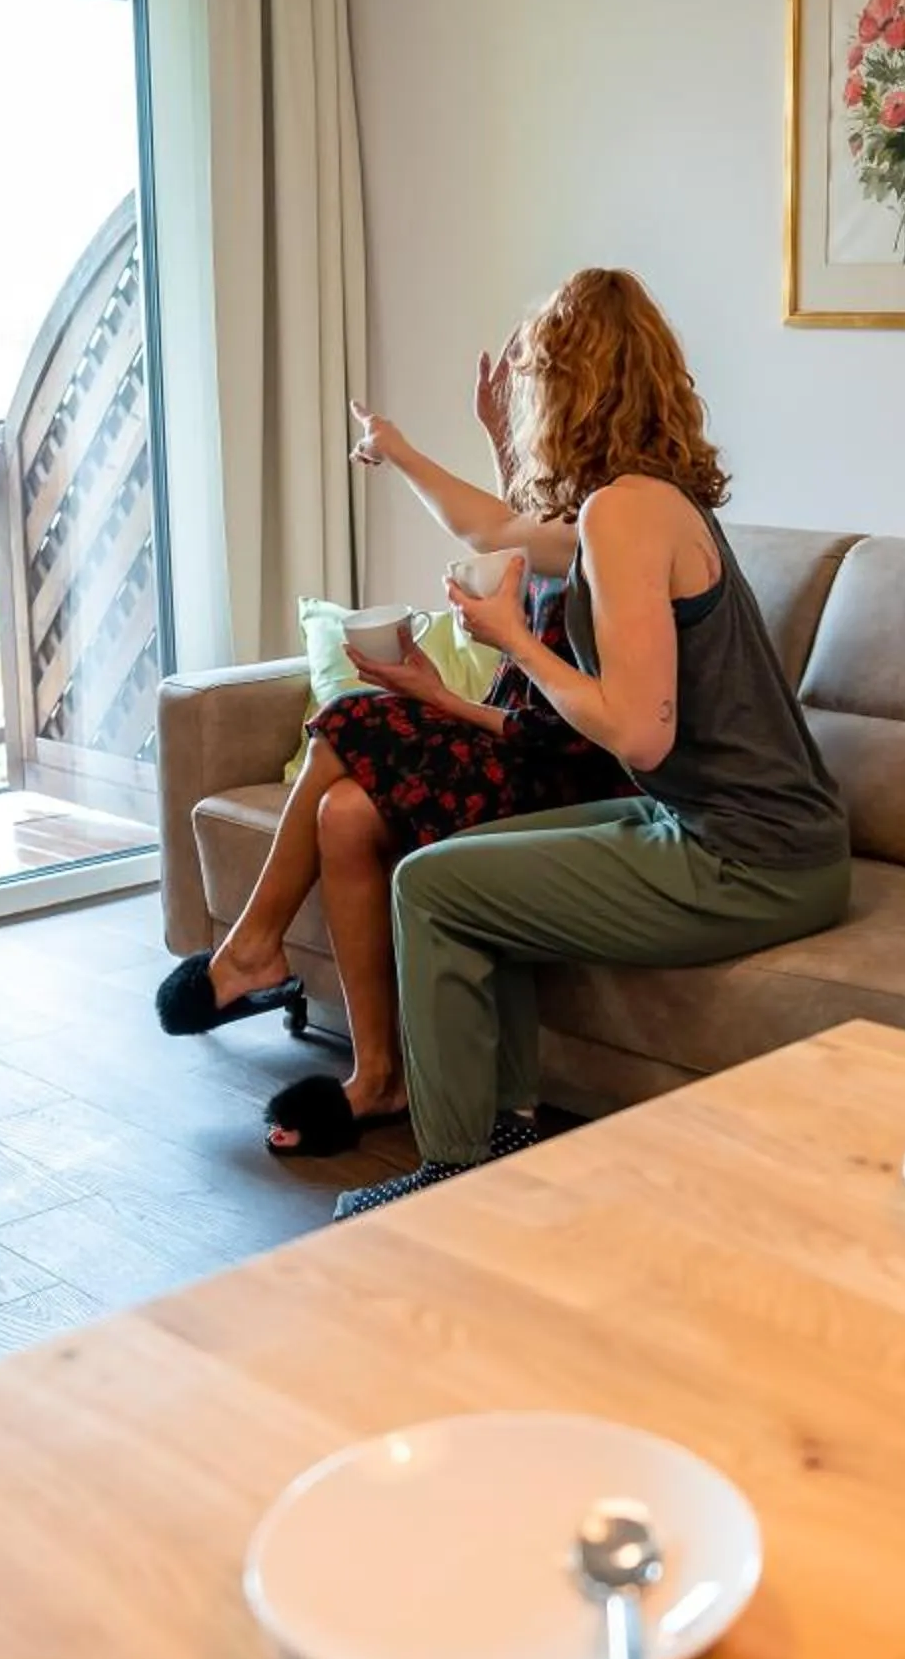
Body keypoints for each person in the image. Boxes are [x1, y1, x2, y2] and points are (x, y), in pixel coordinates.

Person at [331, 268, 853, 1219]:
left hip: (754, 857)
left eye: (535, 378)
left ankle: (451, 1173)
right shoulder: (633, 503)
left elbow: (639, 733)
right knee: (459, 862)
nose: (528, 399)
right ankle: (512, 1122)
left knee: (426, 886)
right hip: (735, 830)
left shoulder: (626, 513)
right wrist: (398, 451)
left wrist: (518, 642)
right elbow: (491, 524)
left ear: (572, 385)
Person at [152, 350, 628, 1157]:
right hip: (516, 741)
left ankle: (253, 944)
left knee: (352, 717)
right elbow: (519, 531)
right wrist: (497, 438)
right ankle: (379, 1077)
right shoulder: (573, 507)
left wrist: (397, 448)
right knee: (343, 811)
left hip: (564, 778)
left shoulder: (619, 527)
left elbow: (567, 728)